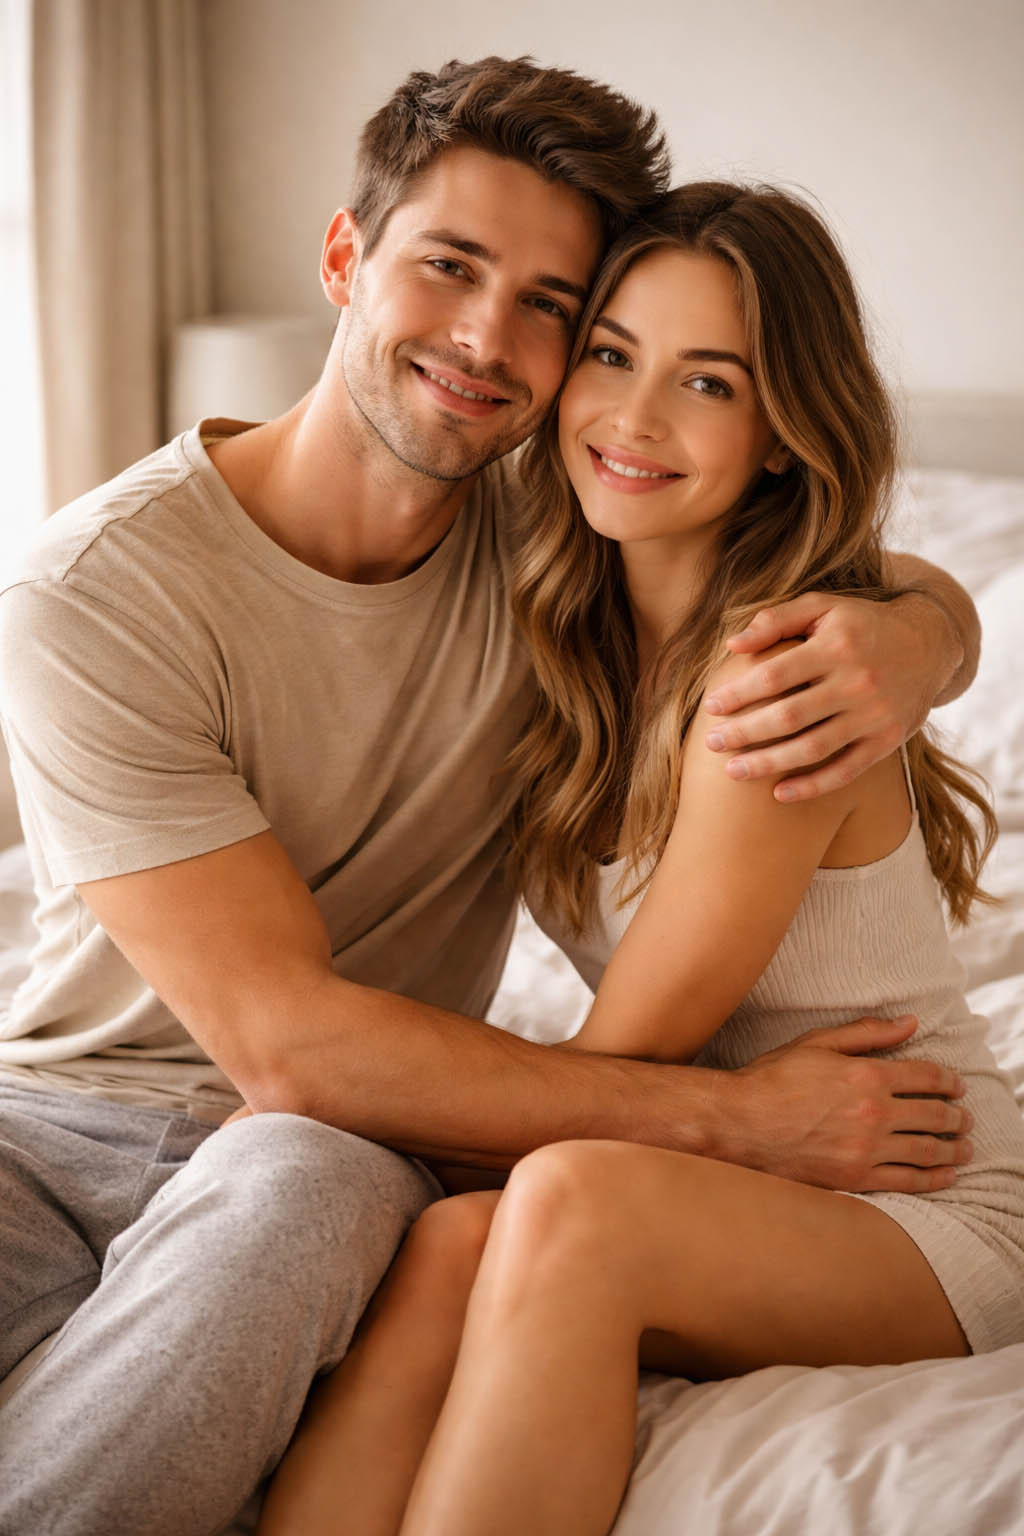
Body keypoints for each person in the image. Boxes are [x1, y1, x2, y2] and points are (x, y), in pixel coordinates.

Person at [0, 56, 978, 1534]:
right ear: (346, 257)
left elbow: (821, 562)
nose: (488, 342)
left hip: (324, 1158)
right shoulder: (100, 593)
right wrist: (738, 1127)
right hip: (52, 1128)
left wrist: (922, 637)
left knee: (388, 1190)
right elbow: (293, 1040)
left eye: (548, 308)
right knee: (404, 1208)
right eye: (450, 267)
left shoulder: (588, 543)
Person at [254, 184, 1023, 1536]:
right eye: (611, 354)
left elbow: (624, 1068)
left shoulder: (778, 678)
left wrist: (374, 1117)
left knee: (568, 1205)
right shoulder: (561, 633)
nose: (634, 418)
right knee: (445, 1244)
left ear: (781, 432)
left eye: (708, 384)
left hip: (920, 1198)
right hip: (735, 1169)